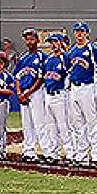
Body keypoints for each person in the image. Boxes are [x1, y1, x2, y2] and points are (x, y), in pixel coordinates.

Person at [65, 22, 97, 167]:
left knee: (92, 122)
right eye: (77, 31)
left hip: (89, 88)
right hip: (74, 88)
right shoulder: (72, 50)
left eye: (82, 31)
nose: (79, 34)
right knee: (78, 123)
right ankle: (82, 155)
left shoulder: (92, 49)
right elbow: (69, 69)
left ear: (87, 33)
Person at [14, 28, 49, 163]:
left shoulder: (42, 56)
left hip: (36, 92)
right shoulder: (23, 57)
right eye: (27, 39)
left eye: (32, 38)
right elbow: (17, 76)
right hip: (23, 93)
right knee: (27, 123)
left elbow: (41, 78)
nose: (29, 41)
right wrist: (19, 93)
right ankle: (29, 151)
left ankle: (47, 151)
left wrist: (28, 92)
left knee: (40, 122)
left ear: (38, 40)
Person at [41, 33, 70, 164]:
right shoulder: (48, 59)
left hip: (60, 94)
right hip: (48, 94)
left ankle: (70, 153)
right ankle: (54, 153)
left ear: (61, 42)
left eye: (55, 41)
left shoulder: (65, 57)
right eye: (51, 42)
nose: (53, 44)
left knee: (64, 125)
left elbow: (69, 74)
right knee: (50, 126)